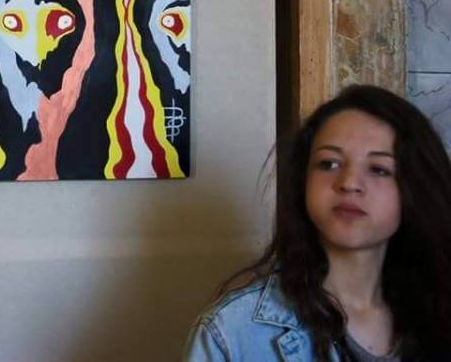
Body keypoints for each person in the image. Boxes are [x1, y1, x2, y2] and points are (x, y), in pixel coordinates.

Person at [183, 85, 451, 361]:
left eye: (378, 169)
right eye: (329, 164)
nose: (349, 183)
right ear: (303, 181)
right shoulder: (233, 332)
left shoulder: (440, 311)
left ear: (416, 188)